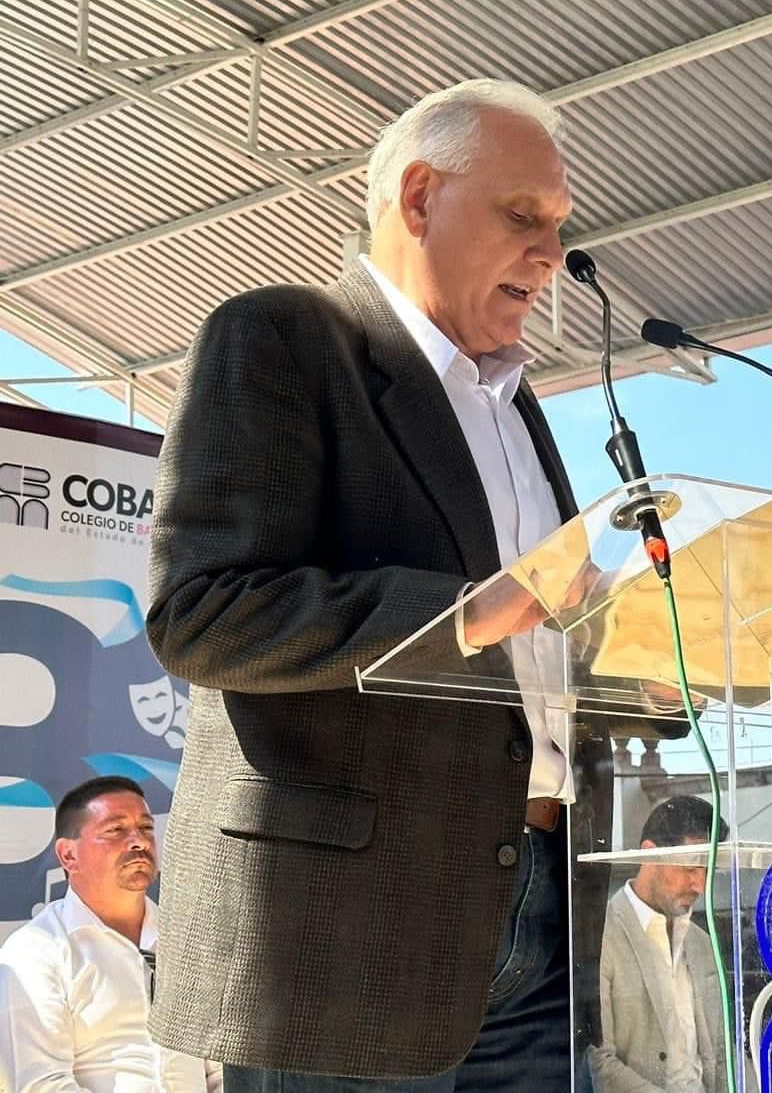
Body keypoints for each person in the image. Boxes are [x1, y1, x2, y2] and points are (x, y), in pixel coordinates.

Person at [146, 78, 604, 1090]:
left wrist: (625, 651)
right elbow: (204, 615)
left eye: (560, 225)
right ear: (419, 197)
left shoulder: (516, 407)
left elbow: (533, 650)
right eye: (522, 216)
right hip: (347, 933)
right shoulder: (284, 338)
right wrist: (468, 612)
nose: (551, 254)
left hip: (540, 908)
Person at [0, 776, 218, 1092]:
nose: (139, 841)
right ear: (68, 855)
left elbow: (222, 1072)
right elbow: (41, 1084)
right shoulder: (35, 951)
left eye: (146, 828)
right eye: (116, 830)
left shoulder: (188, 942)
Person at [590, 796, 732, 1093]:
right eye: (691, 867)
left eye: (709, 869)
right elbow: (597, 1062)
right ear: (649, 854)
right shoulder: (599, 938)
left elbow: (723, 1055)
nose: (701, 885)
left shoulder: (702, 944)